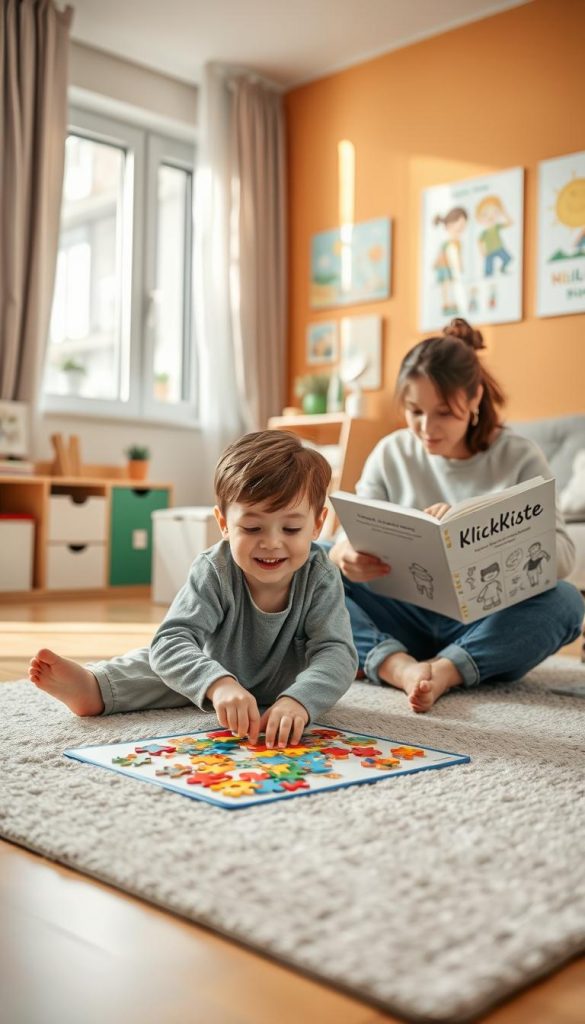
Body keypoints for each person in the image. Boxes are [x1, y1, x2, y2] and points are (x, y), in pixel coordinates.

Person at [29, 431, 358, 749]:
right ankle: (95, 687)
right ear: (224, 524)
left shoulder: (321, 575)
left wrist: (299, 701)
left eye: (291, 528)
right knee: (159, 666)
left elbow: (338, 653)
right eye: (253, 527)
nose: (271, 542)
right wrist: (218, 684)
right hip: (213, 668)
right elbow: (170, 642)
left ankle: (288, 696)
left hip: (290, 683)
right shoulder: (214, 569)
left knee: (321, 680)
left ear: (317, 524)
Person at [328, 318, 583, 714]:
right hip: (401, 613)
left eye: (444, 412)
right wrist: (344, 554)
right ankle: (395, 665)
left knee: (567, 603)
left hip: (484, 621)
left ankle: (447, 670)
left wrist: (487, 534)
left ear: (476, 397)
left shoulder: (518, 455)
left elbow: (564, 553)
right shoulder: (391, 452)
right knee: (311, 560)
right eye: (414, 411)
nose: (427, 428)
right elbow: (347, 534)